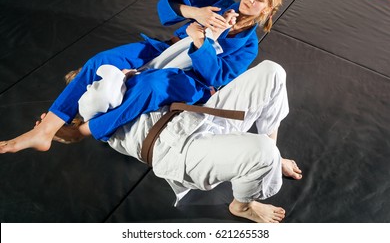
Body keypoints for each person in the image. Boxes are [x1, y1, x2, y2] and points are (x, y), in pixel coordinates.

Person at [0, 0, 285, 153]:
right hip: (162, 50)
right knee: (102, 59)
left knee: (149, 85)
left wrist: (202, 43)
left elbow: (214, 77)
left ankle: (83, 131)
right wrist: (194, 12)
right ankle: (44, 130)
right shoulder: (221, 2)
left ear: (268, 9)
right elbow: (167, 4)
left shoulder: (249, 45)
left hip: (189, 79)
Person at [1, 59, 303, 223]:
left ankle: (272, 155)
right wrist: (50, 129)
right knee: (262, 154)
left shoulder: (130, 79)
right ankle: (243, 204)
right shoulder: (92, 120)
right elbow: (73, 134)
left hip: (197, 116)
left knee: (273, 71)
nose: (94, 82)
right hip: (177, 149)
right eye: (83, 83)